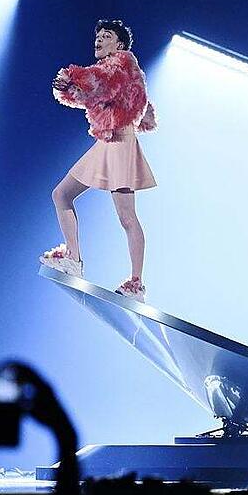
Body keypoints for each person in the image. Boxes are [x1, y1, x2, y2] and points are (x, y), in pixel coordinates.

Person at [41, 19, 157, 302]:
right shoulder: (121, 70)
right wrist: (72, 88)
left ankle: (136, 284)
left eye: (106, 36)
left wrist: (73, 78)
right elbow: (98, 94)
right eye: (98, 36)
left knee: (127, 217)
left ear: (119, 44)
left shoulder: (122, 62)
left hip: (119, 141)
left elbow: (100, 81)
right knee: (61, 194)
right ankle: (73, 258)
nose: (99, 40)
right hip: (109, 141)